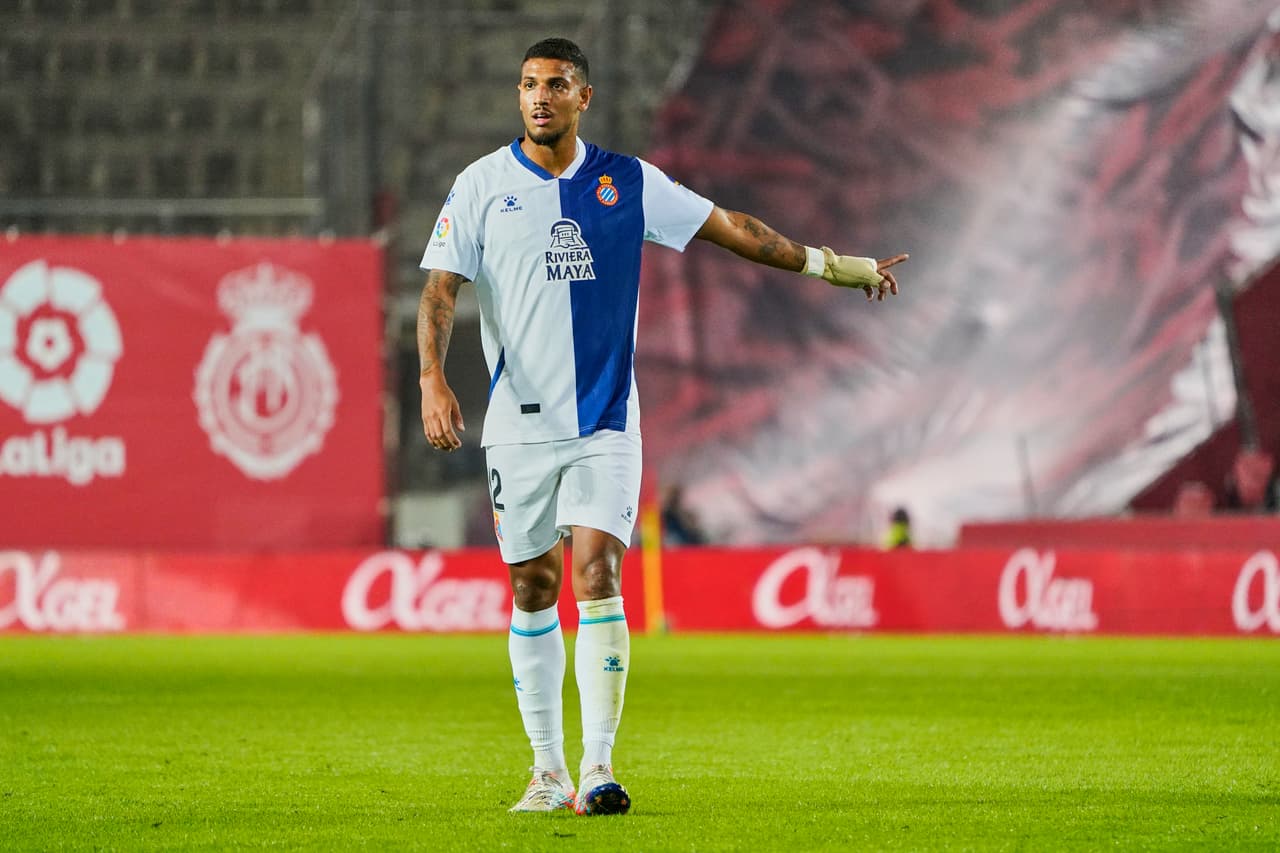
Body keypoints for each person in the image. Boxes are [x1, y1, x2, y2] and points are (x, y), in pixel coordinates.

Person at [417, 37, 906, 816]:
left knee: (598, 574)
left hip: (607, 418)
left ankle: (599, 767)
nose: (539, 97)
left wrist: (831, 264)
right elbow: (440, 290)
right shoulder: (480, 186)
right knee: (532, 586)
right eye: (528, 85)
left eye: (556, 85)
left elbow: (732, 226)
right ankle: (546, 771)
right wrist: (432, 377)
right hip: (518, 426)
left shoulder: (628, 184)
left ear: (585, 97)